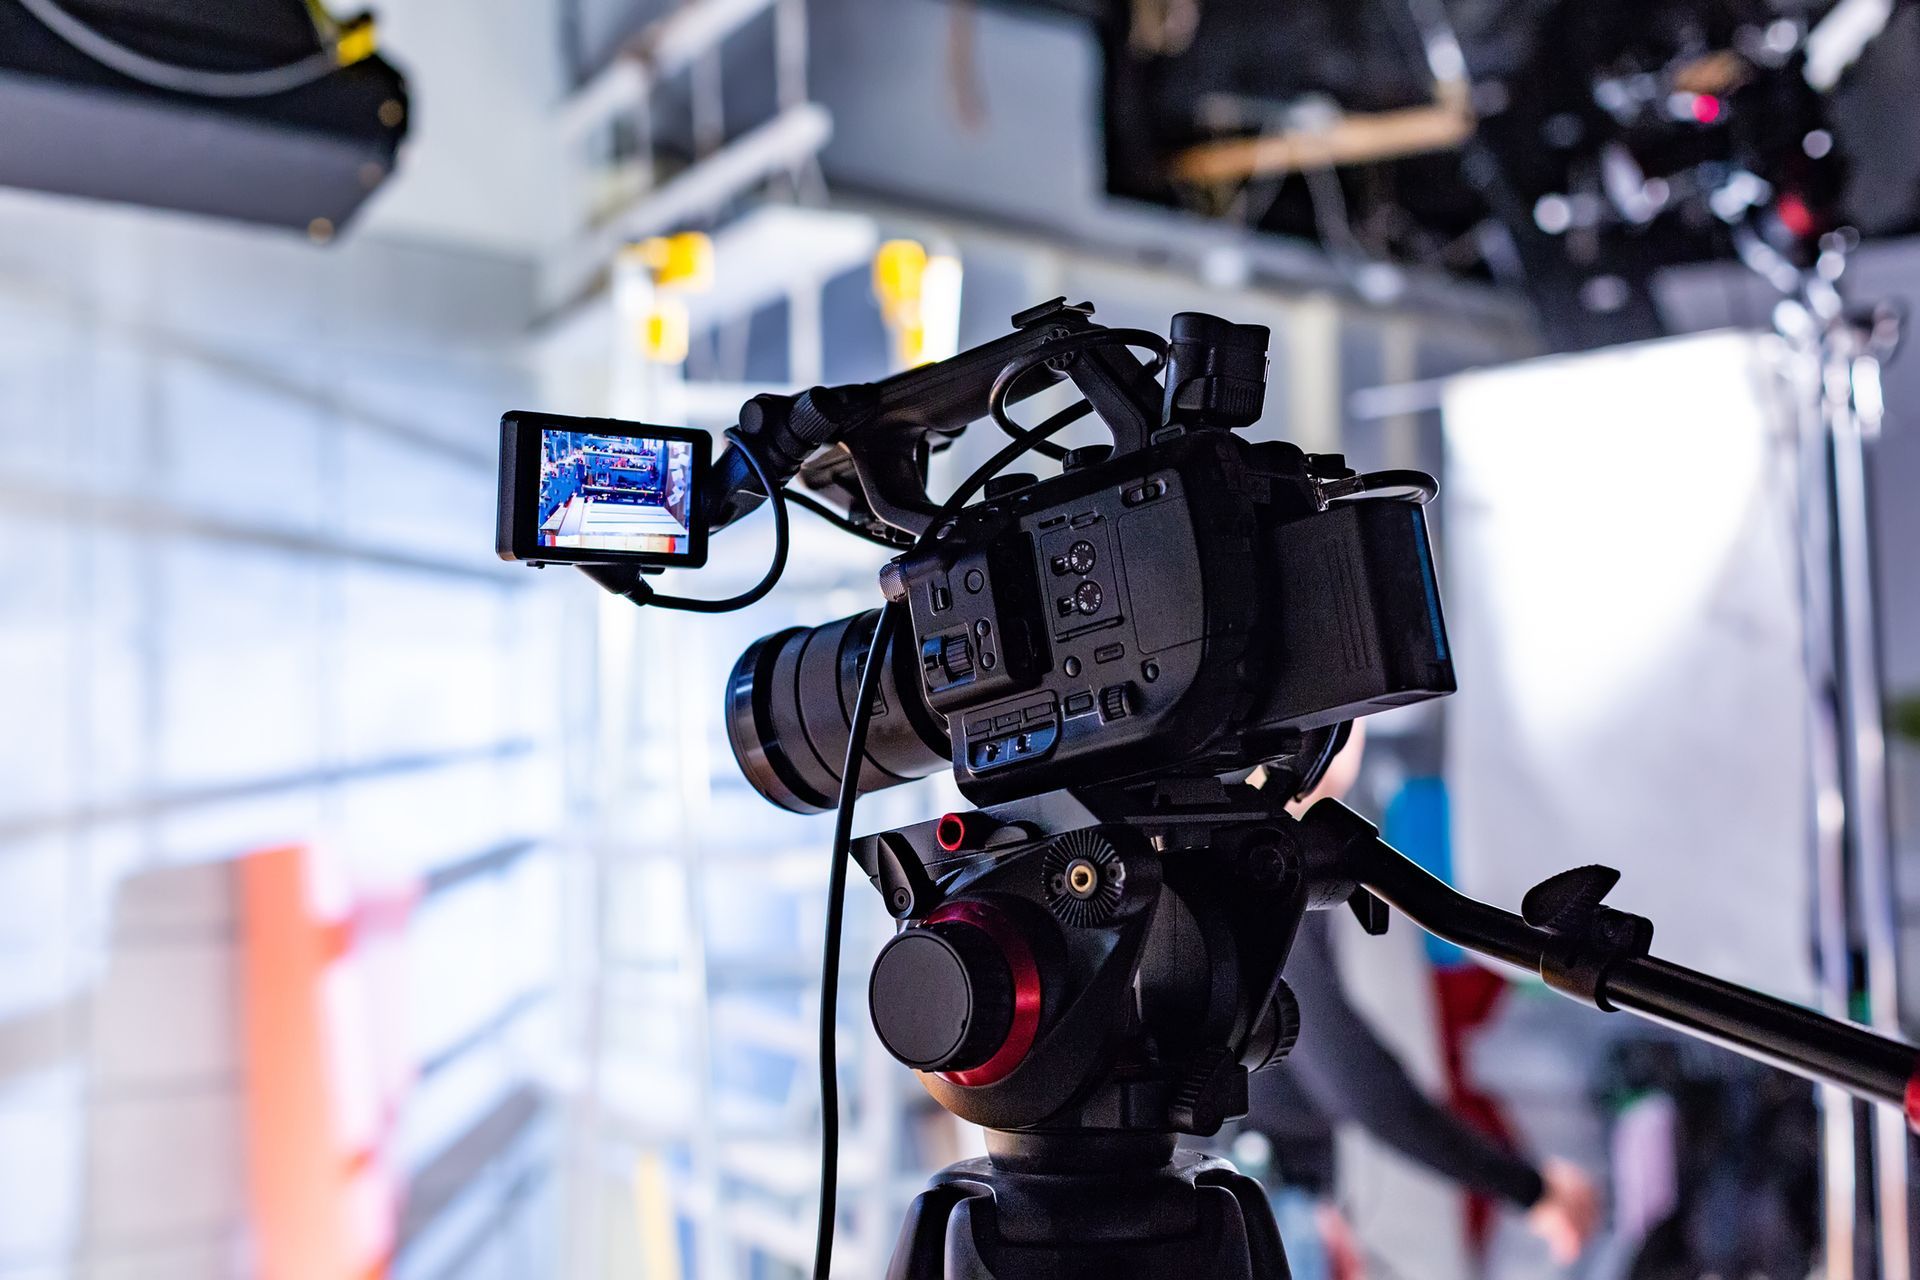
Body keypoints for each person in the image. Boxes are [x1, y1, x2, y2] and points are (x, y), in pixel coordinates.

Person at [1244, 722, 1600, 1279]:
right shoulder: (1259, 880)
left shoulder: (1281, 863)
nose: (1360, 730)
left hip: (1294, 1193)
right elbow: (1367, 1091)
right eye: (1352, 717)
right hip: (1275, 1205)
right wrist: (1531, 1192)